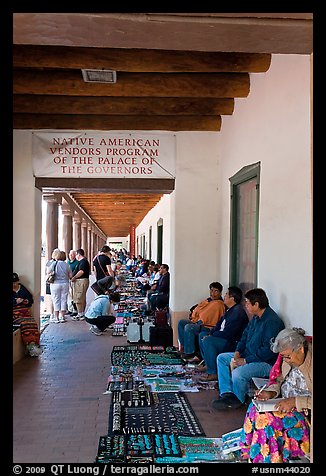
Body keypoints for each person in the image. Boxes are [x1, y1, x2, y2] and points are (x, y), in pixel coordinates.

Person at [240, 327, 312, 463]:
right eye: (283, 357)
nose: (286, 360)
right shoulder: (288, 358)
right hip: (285, 404)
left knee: (267, 420)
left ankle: (270, 460)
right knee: (254, 408)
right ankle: (251, 454)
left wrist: (295, 402)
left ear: (301, 349)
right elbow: (279, 380)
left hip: (305, 413)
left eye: (288, 356)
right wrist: (271, 392)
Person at [212, 287, 285, 410]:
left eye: (247, 302)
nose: (245, 305)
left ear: (256, 304)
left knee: (238, 374)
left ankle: (237, 400)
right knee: (222, 358)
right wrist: (238, 351)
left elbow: (267, 351)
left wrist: (246, 361)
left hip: (266, 363)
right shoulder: (256, 317)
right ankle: (226, 393)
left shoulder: (272, 321)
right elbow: (245, 336)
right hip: (249, 355)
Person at [198, 286, 249, 382]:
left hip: (232, 342)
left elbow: (228, 333)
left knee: (208, 341)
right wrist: (211, 333)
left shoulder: (238, 312)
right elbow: (218, 325)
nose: (224, 296)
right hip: (223, 337)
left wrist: (212, 336)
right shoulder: (230, 310)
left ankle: (213, 372)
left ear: (232, 299)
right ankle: (209, 363)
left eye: (226, 294)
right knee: (202, 335)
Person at [177, 282, 225, 361]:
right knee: (181, 322)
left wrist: (196, 321)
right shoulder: (208, 301)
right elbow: (197, 310)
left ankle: (190, 353)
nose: (213, 293)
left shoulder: (219, 304)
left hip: (208, 326)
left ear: (220, 293)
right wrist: (194, 318)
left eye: (216, 291)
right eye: (211, 290)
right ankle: (184, 348)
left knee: (189, 327)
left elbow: (206, 317)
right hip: (198, 322)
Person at [13, 272, 42, 357]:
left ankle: (34, 344)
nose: (14, 284)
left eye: (15, 282)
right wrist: (15, 301)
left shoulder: (22, 288)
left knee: (32, 323)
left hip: (25, 311)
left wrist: (25, 301)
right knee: (24, 324)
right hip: (15, 313)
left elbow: (30, 299)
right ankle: (31, 346)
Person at [47, 249, 72, 323]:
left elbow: (48, 272)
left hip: (55, 284)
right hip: (65, 283)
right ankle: (62, 317)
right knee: (64, 300)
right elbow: (70, 275)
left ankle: (56, 317)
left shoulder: (54, 263)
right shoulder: (67, 264)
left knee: (56, 300)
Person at [70, 248, 90, 320]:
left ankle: (80, 314)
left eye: (76, 255)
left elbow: (81, 271)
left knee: (78, 297)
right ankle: (81, 313)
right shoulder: (83, 261)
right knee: (82, 297)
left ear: (78, 254)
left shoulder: (83, 262)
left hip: (80, 281)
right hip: (81, 281)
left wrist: (74, 277)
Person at [66, 249, 78, 315]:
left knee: (73, 295)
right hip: (68, 280)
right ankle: (70, 309)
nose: (71, 256)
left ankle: (75, 310)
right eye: (70, 254)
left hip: (73, 280)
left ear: (75, 255)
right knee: (69, 296)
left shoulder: (77, 262)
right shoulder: (67, 262)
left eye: (72, 254)